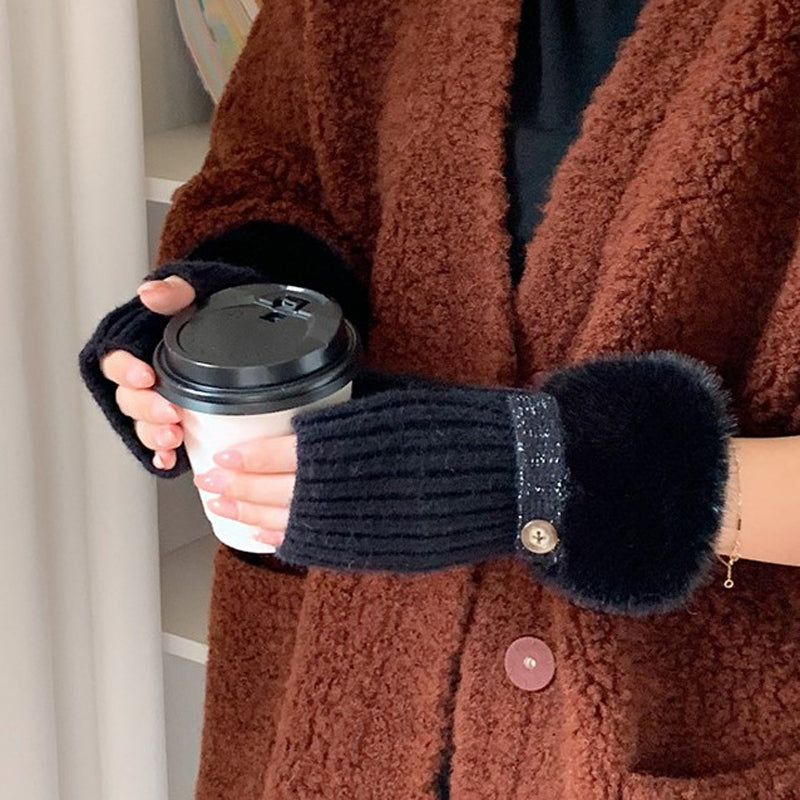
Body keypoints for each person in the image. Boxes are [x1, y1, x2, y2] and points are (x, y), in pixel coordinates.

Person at [78, 0, 800, 797]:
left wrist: (547, 476)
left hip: (680, 708)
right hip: (348, 690)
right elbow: (276, 170)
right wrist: (241, 316)